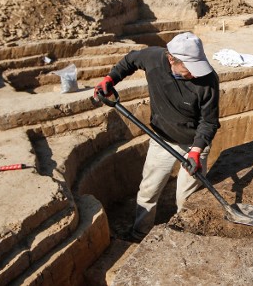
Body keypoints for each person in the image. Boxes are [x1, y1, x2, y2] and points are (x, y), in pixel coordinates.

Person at [93, 32, 220, 241]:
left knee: (185, 198)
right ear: (172, 59)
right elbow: (129, 60)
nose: (196, 74)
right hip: (162, 139)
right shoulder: (153, 58)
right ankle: (140, 233)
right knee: (148, 190)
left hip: (194, 144)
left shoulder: (208, 80)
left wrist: (197, 151)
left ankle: (183, 237)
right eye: (189, 68)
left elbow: (209, 122)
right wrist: (110, 78)